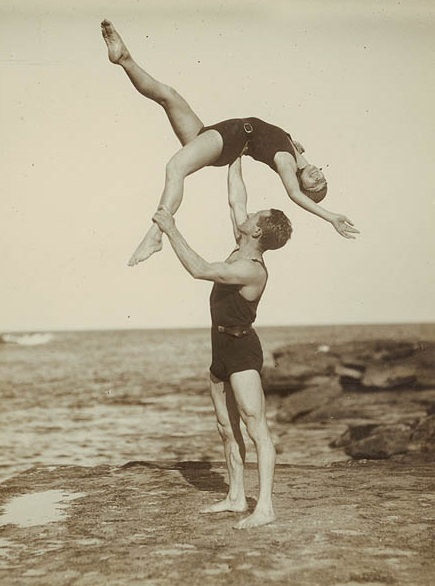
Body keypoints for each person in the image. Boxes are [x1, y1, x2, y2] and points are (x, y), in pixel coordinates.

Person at [101, 19, 359, 266]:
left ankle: (157, 232)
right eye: (323, 177)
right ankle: (124, 58)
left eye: (314, 184)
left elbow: (293, 194)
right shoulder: (292, 149)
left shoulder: (285, 161)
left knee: (175, 167)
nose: (317, 175)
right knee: (168, 96)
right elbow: (277, 142)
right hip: (221, 134)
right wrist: (291, 142)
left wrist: (330, 217)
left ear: (302, 184)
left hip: (230, 139)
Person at [152, 156, 292, 529]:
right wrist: (235, 156)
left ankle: (265, 507)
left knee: (255, 426)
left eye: (255, 215)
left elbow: (200, 269)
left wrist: (170, 227)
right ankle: (235, 496)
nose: (246, 215)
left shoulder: (250, 268)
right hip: (221, 350)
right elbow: (236, 198)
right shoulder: (242, 244)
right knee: (226, 428)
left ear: (259, 231)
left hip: (243, 352)